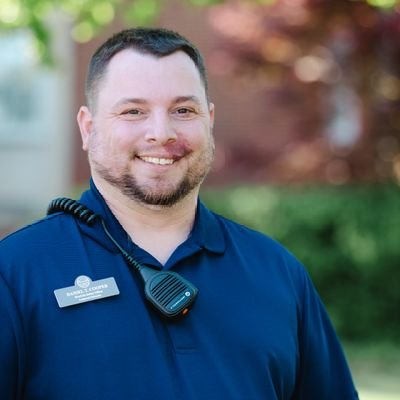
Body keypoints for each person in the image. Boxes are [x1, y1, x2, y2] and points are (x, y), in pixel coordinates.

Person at [0, 27, 358, 399]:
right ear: (88, 128)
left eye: (183, 110)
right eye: (133, 111)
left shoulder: (277, 273)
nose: (162, 132)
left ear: (210, 120)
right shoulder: (14, 274)